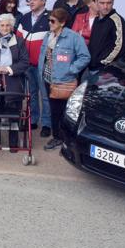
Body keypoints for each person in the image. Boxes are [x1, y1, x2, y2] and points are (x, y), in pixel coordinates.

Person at [38, 8, 90, 150]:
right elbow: (43, 56)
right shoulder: (48, 35)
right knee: (54, 110)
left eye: (53, 21)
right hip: (48, 79)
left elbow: (85, 57)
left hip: (64, 81)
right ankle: (58, 137)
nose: (50, 23)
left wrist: (71, 70)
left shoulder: (73, 37)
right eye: (49, 20)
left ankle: (64, 138)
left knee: (66, 111)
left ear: (62, 22)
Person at [0, 14, 30, 149]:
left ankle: (13, 140)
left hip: (13, 80)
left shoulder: (19, 41)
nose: (5, 28)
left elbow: (25, 62)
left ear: (12, 26)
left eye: (8, 25)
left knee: (14, 111)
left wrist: (8, 69)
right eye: (2, 25)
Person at [16, 0, 51, 135]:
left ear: (43, 1)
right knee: (32, 94)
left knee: (45, 95)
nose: (31, 2)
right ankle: (33, 120)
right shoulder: (24, 18)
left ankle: (47, 124)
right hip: (27, 65)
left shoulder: (50, 18)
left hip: (43, 65)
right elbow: (18, 40)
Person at [88, 0, 125, 73]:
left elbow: (119, 46)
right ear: (96, 2)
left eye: (109, 3)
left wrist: (103, 62)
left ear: (113, 2)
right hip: (91, 67)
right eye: (102, 3)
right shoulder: (96, 19)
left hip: (106, 70)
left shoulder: (117, 20)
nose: (105, 6)